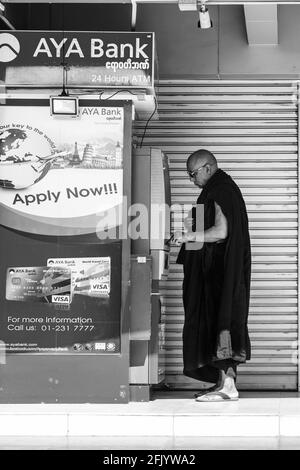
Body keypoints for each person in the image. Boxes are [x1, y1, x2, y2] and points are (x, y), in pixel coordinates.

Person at [172, 149, 251, 402]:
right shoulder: (217, 189)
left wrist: (188, 236)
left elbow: (221, 231)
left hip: (221, 275)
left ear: (208, 168)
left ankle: (229, 386)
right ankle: (221, 384)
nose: (191, 179)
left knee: (222, 321)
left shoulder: (221, 190)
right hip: (215, 274)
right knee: (214, 321)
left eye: (193, 174)